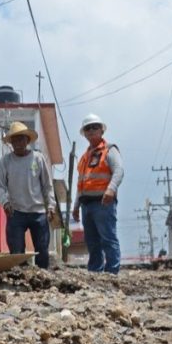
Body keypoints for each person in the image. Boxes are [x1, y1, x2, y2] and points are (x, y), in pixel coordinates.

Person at [0, 121, 56, 269]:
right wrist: (5, 202)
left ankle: (44, 282)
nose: (18, 142)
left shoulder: (38, 158)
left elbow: (47, 186)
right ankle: (19, 281)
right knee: (16, 254)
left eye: (21, 138)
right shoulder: (6, 161)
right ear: (11, 142)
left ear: (27, 140)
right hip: (16, 213)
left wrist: (51, 206)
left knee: (42, 252)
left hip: (38, 212)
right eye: (14, 139)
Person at [72, 113, 124, 274]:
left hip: (103, 203)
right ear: (84, 133)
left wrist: (111, 189)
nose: (91, 130)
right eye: (88, 128)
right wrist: (76, 206)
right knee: (92, 241)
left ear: (102, 130)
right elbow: (80, 184)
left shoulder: (110, 150)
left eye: (95, 127)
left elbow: (119, 171)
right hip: (87, 205)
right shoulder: (84, 158)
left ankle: (112, 272)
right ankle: (95, 272)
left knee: (108, 238)